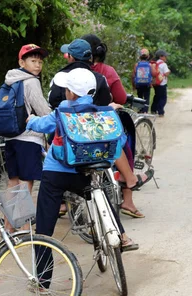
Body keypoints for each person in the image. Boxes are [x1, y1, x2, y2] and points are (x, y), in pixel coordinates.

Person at [27, 69, 139, 274]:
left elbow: (42, 125)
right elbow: (120, 140)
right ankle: (122, 236)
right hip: (84, 172)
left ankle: (43, 280)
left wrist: (30, 120)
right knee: (102, 197)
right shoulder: (102, 112)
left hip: (56, 173)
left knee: (44, 227)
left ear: (69, 92)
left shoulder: (61, 112)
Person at [81, 34, 151, 219]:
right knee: (126, 143)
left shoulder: (70, 72)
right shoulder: (106, 71)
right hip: (101, 123)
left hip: (75, 124)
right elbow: (120, 98)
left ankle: (63, 203)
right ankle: (128, 195)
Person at [2, 44, 52, 215]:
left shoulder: (10, 79)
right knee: (25, 183)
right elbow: (44, 111)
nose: (37, 65)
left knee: (12, 182)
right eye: (33, 61)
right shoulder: (31, 81)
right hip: (28, 138)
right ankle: (23, 231)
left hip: (10, 136)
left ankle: (9, 228)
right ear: (21, 62)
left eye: (40, 61)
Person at [48, 38, 112, 109]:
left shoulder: (60, 78)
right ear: (90, 58)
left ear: (71, 57)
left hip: (63, 119)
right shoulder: (101, 79)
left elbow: (52, 101)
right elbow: (105, 102)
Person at [150, 50, 170, 117]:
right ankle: (160, 111)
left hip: (155, 83)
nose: (166, 57)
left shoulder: (153, 63)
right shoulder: (163, 64)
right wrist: (169, 71)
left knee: (157, 96)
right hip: (162, 83)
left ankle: (153, 110)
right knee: (163, 98)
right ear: (161, 56)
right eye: (165, 56)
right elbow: (166, 73)